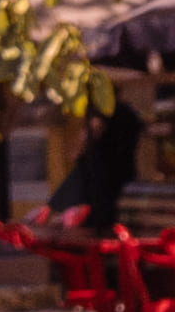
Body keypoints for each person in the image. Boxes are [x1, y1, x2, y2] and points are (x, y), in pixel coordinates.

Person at [49, 95, 145, 228]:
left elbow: (87, 142)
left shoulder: (105, 116)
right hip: (113, 176)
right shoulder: (125, 114)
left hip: (102, 178)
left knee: (99, 208)